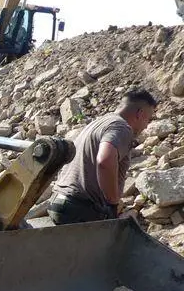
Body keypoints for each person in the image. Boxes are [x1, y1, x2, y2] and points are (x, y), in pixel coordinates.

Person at [48, 88, 157, 225]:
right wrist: (112, 203)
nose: (146, 126)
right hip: (79, 209)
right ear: (140, 114)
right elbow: (105, 161)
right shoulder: (121, 127)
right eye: (148, 119)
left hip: (60, 202)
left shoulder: (100, 122)